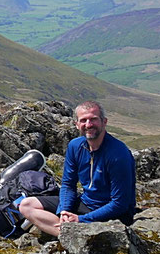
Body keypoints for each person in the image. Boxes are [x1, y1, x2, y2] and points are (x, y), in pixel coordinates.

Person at [17, 100, 136, 238]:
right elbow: (68, 184)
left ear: (104, 122)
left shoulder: (118, 154)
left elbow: (120, 203)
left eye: (93, 119)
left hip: (114, 214)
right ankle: (71, 233)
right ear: (77, 124)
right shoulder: (75, 146)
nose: (88, 125)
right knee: (26, 205)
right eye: (83, 120)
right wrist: (64, 211)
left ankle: (71, 235)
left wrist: (81, 219)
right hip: (86, 203)